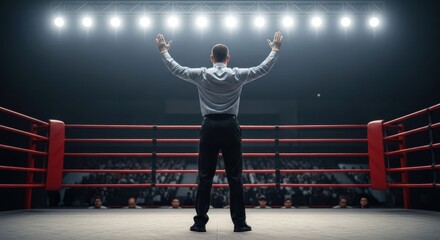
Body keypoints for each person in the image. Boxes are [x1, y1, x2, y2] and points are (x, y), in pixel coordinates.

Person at [156, 31, 282, 233]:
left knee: (205, 176)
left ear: (211, 58)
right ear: (228, 58)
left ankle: (199, 222)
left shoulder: (203, 73)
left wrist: (163, 51)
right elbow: (263, 69)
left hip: (209, 127)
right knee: (235, 177)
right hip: (231, 126)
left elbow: (176, 69)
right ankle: (239, 223)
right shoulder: (236, 74)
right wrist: (275, 49)